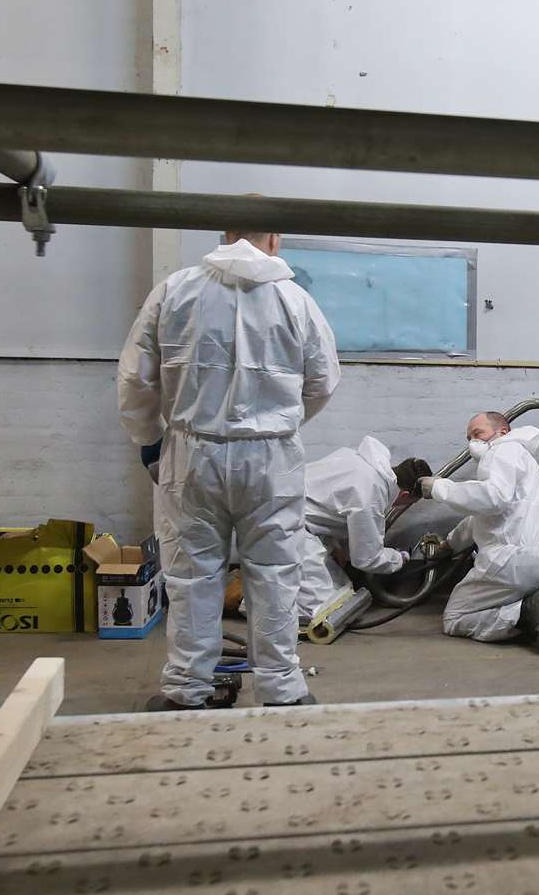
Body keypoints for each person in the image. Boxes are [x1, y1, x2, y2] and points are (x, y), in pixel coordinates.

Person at [118, 226, 339, 710]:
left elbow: (136, 377)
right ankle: (282, 689)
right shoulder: (295, 301)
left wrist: (150, 440)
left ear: (224, 235)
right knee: (276, 572)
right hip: (271, 458)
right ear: (275, 240)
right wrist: (281, 422)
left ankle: (186, 690)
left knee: (192, 575)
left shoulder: (175, 291)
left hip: (193, 453)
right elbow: (323, 381)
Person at [415, 411, 539, 651]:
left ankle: (524, 613)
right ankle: (538, 606)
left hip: (516, 565)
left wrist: (439, 488)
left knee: (455, 617)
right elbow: (481, 517)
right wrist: (449, 545)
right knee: (508, 592)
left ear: (503, 431)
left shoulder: (502, 450)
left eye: (478, 433)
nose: (473, 442)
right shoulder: (524, 463)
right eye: (469, 437)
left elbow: (493, 498)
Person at [298, 437, 432, 623]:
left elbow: (322, 503)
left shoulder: (357, 460)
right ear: (405, 495)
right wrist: (399, 558)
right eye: (408, 504)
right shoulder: (371, 491)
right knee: (322, 610)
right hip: (286, 528)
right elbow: (367, 559)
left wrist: (334, 543)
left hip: (290, 518)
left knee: (342, 592)